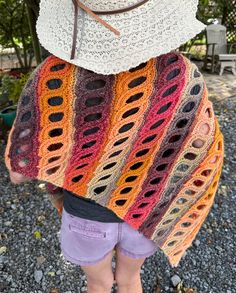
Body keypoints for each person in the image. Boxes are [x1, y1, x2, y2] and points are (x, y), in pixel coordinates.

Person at [5, 1, 224, 292]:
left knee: (99, 282)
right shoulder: (180, 75)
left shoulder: (53, 77)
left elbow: (19, 171)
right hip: (147, 209)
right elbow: (200, 144)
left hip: (85, 216)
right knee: (130, 279)